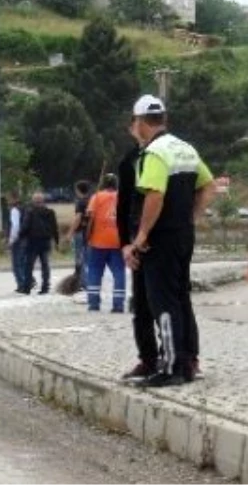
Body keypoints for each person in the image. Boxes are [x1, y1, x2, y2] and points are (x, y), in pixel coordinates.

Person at [123, 94, 217, 387]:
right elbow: (209, 186)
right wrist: (191, 216)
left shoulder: (154, 153)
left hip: (161, 239)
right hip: (183, 235)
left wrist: (141, 236)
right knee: (180, 298)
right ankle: (188, 362)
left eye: (134, 122)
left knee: (161, 302)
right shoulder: (186, 149)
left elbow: (154, 195)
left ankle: (171, 367)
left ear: (140, 123)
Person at [117, 129, 156, 382]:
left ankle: (184, 359)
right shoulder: (130, 161)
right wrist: (126, 243)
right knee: (141, 304)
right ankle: (148, 359)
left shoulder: (168, 153)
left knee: (171, 304)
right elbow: (123, 206)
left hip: (162, 239)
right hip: (138, 242)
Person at [84, 174, 124, 312]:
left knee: (94, 272)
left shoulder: (96, 197)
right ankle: (118, 305)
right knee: (119, 272)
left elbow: (90, 218)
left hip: (98, 241)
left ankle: (93, 303)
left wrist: (87, 237)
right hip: (118, 241)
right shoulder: (123, 196)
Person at [20, 191, 59, 294]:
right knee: (45, 265)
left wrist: (20, 237)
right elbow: (54, 227)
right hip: (46, 242)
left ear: (33, 201)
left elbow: (25, 226)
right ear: (43, 200)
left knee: (29, 265)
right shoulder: (50, 212)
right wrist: (56, 241)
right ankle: (45, 287)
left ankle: (27, 288)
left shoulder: (30, 212)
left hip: (32, 242)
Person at [67, 180, 93, 292]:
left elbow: (78, 218)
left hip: (81, 233)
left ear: (78, 190)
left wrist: (70, 233)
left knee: (80, 258)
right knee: (88, 259)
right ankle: (88, 281)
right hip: (90, 232)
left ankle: (83, 283)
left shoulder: (81, 202)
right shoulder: (92, 201)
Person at [6, 191, 28, 293]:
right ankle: (26, 283)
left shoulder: (14, 210)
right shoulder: (24, 208)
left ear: (13, 198)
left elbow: (15, 226)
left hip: (18, 240)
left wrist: (11, 240)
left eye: (9, 198)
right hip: (25, 239)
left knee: (17, 264)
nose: (7, 201)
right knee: (23, 263)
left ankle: (22, 285)